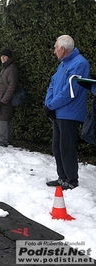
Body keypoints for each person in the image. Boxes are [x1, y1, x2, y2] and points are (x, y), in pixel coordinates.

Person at [45, 35, 90, 190]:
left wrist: (52, 105)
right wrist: (49, 104)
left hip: (70, 113)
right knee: (57, 147)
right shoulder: (62, 64)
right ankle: (62, 177)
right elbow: (53, 83)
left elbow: (70, 91)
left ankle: (71, 180)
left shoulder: (80, 64)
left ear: (62, 49)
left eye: (55, 47)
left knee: (66, 147)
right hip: (59, 112)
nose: (54, 51)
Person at [0, 48, 19, 147]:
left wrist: (4, 99)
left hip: (4, 99)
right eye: (1, 56)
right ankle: (7, 139)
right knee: (5, 119)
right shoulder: (6, 68)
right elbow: (6, 83)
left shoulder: (11, 68)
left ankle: (3, 140)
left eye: (4, 56)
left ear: (9, 57)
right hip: (2, 98)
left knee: (2, 119)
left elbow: (12, 86)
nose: (2, 58)